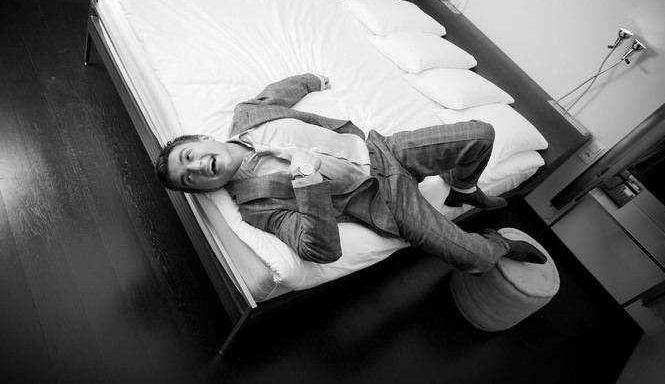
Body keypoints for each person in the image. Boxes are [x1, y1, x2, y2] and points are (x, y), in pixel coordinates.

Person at [155, 74, 546, 274]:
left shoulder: (248, 116)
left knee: (481, 134)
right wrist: (307, 182)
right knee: (475, 258)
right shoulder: (256, 207)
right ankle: (500, 243)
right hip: (385, 199)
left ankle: (463, 187)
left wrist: (312, 80)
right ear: (201, 188)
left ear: (203, 139)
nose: (195, 167)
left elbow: (279, 92)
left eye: (188, 157)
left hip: (383, 149)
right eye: (189, 177)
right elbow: (320, 251)